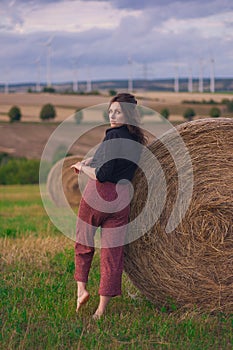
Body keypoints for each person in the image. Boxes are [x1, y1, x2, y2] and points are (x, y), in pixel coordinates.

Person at [71, 93, 147, 319]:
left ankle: (81, 290)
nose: (112, 116)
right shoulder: (137, 139)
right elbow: (114, 163)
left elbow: (104, 174)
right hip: (122, 199)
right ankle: (101, 310)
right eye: (111, 112)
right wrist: (89, 162)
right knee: (112, 254)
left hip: (99, 195)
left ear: (128, 114)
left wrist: (81, 168)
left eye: (118, 112)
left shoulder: (112, 134)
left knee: (83, 241)